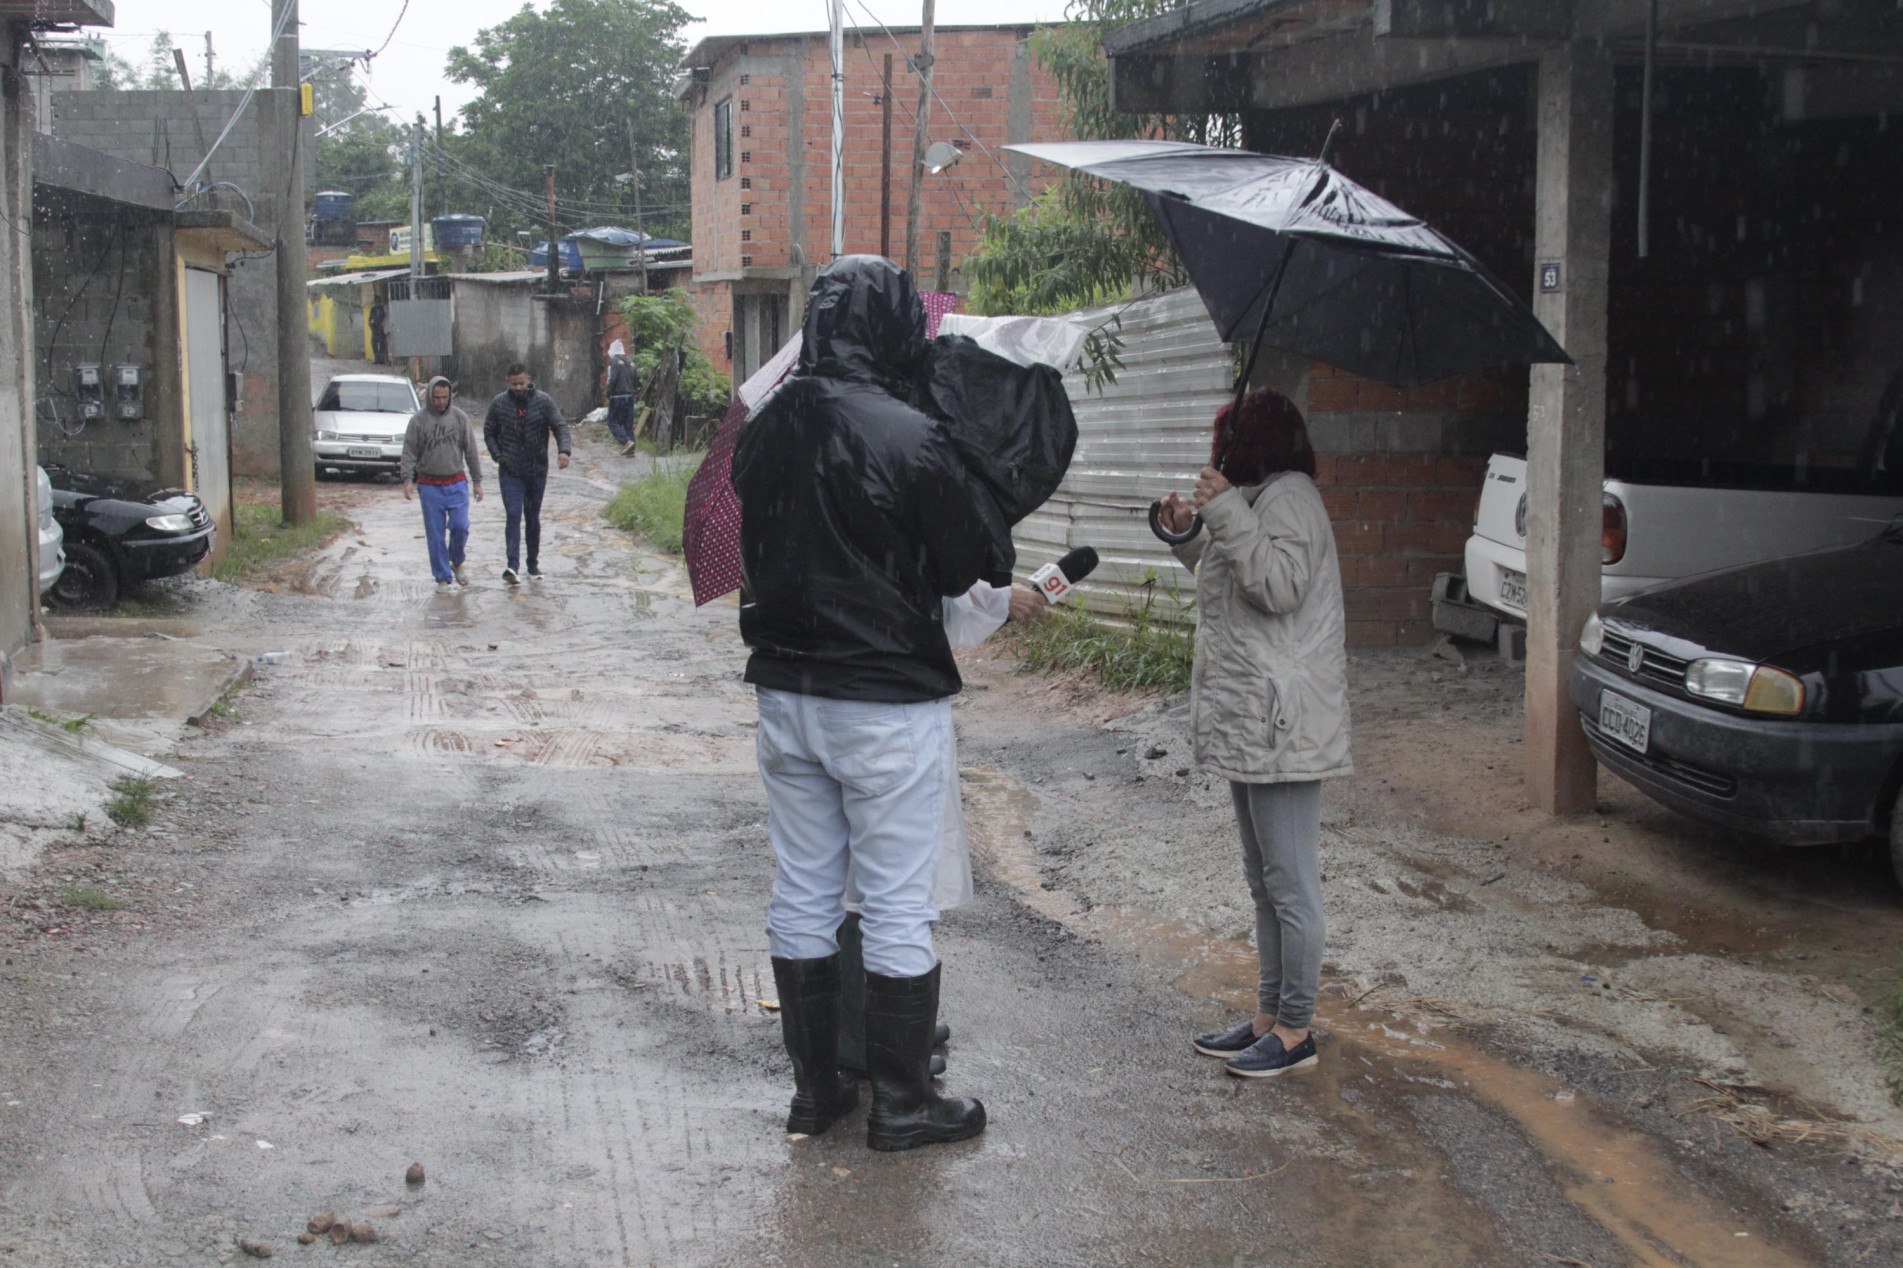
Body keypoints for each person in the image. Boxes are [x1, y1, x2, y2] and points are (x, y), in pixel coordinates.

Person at [732, 255, 998, 1152]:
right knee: (893, 904)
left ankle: (816, 1094)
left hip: (784, 689)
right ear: (891, 326)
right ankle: (903, 1101)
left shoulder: (764, 429)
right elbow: (965, 564)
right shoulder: (907, 433)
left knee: (804, 891)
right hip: (883, 697)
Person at [1156, 387, 1351, 1080]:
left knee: (1290, 884)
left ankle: (1296, 1031)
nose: (1219, 451)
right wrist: (1188, 530)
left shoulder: (1291, 497)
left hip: (1283, 722)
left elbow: (1278, 586)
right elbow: (1231, 580)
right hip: (1254, 719)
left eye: (1228, 438)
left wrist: (1226, 510)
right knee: (1263, 879)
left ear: (1253, 441)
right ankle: (1267, 1016)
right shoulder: (1262, 497)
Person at [482, 363, 570, 584]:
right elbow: (488, 431)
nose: (518, 388)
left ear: (529, 380)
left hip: (536, 470)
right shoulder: (499, 404)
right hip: (510, 471)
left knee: (532, 517)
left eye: (522, 383)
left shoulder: (543, 401)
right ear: (507, 382)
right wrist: (498, 455)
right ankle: (512, 566)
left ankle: (533, 564)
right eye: (514, 385)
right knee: (513, 514)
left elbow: (560, 425)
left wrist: (564, 451)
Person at [401, 376, 484, 588]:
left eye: (444, 398)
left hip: (456, 482)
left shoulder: (459, 418)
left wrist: (477, 481)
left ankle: (456, 561)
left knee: (460, 526)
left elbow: (471, 450)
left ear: (450, 397)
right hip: (429, 485)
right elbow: (409, 451)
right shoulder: (418, 421)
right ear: (430, 396)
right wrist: (408, 479)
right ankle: (443, 577)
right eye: (436, 398)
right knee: (435, 535)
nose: (440, 402)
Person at [605, 340, 639, 457]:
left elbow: (612, 380)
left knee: (612, 422)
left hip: (617, 397)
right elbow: (636, 381)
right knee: (627, 424)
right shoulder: (630, 362)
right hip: (630, 397)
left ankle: (626, 442)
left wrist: (608, 394)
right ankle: (632, 450)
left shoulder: (614, 361)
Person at [369, 298, 388, 365]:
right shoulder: (373, 309)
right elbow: (370, 319)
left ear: (379, 302)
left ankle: (381, 360)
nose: (376, 303)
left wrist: (376, 322)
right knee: (374, 345)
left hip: (381, 330)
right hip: (374, 330)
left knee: (382, 345)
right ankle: (377, 360)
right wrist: (371, 325)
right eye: (375, 302)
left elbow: (383, 318)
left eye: (377, 302)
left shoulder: (382, 309)